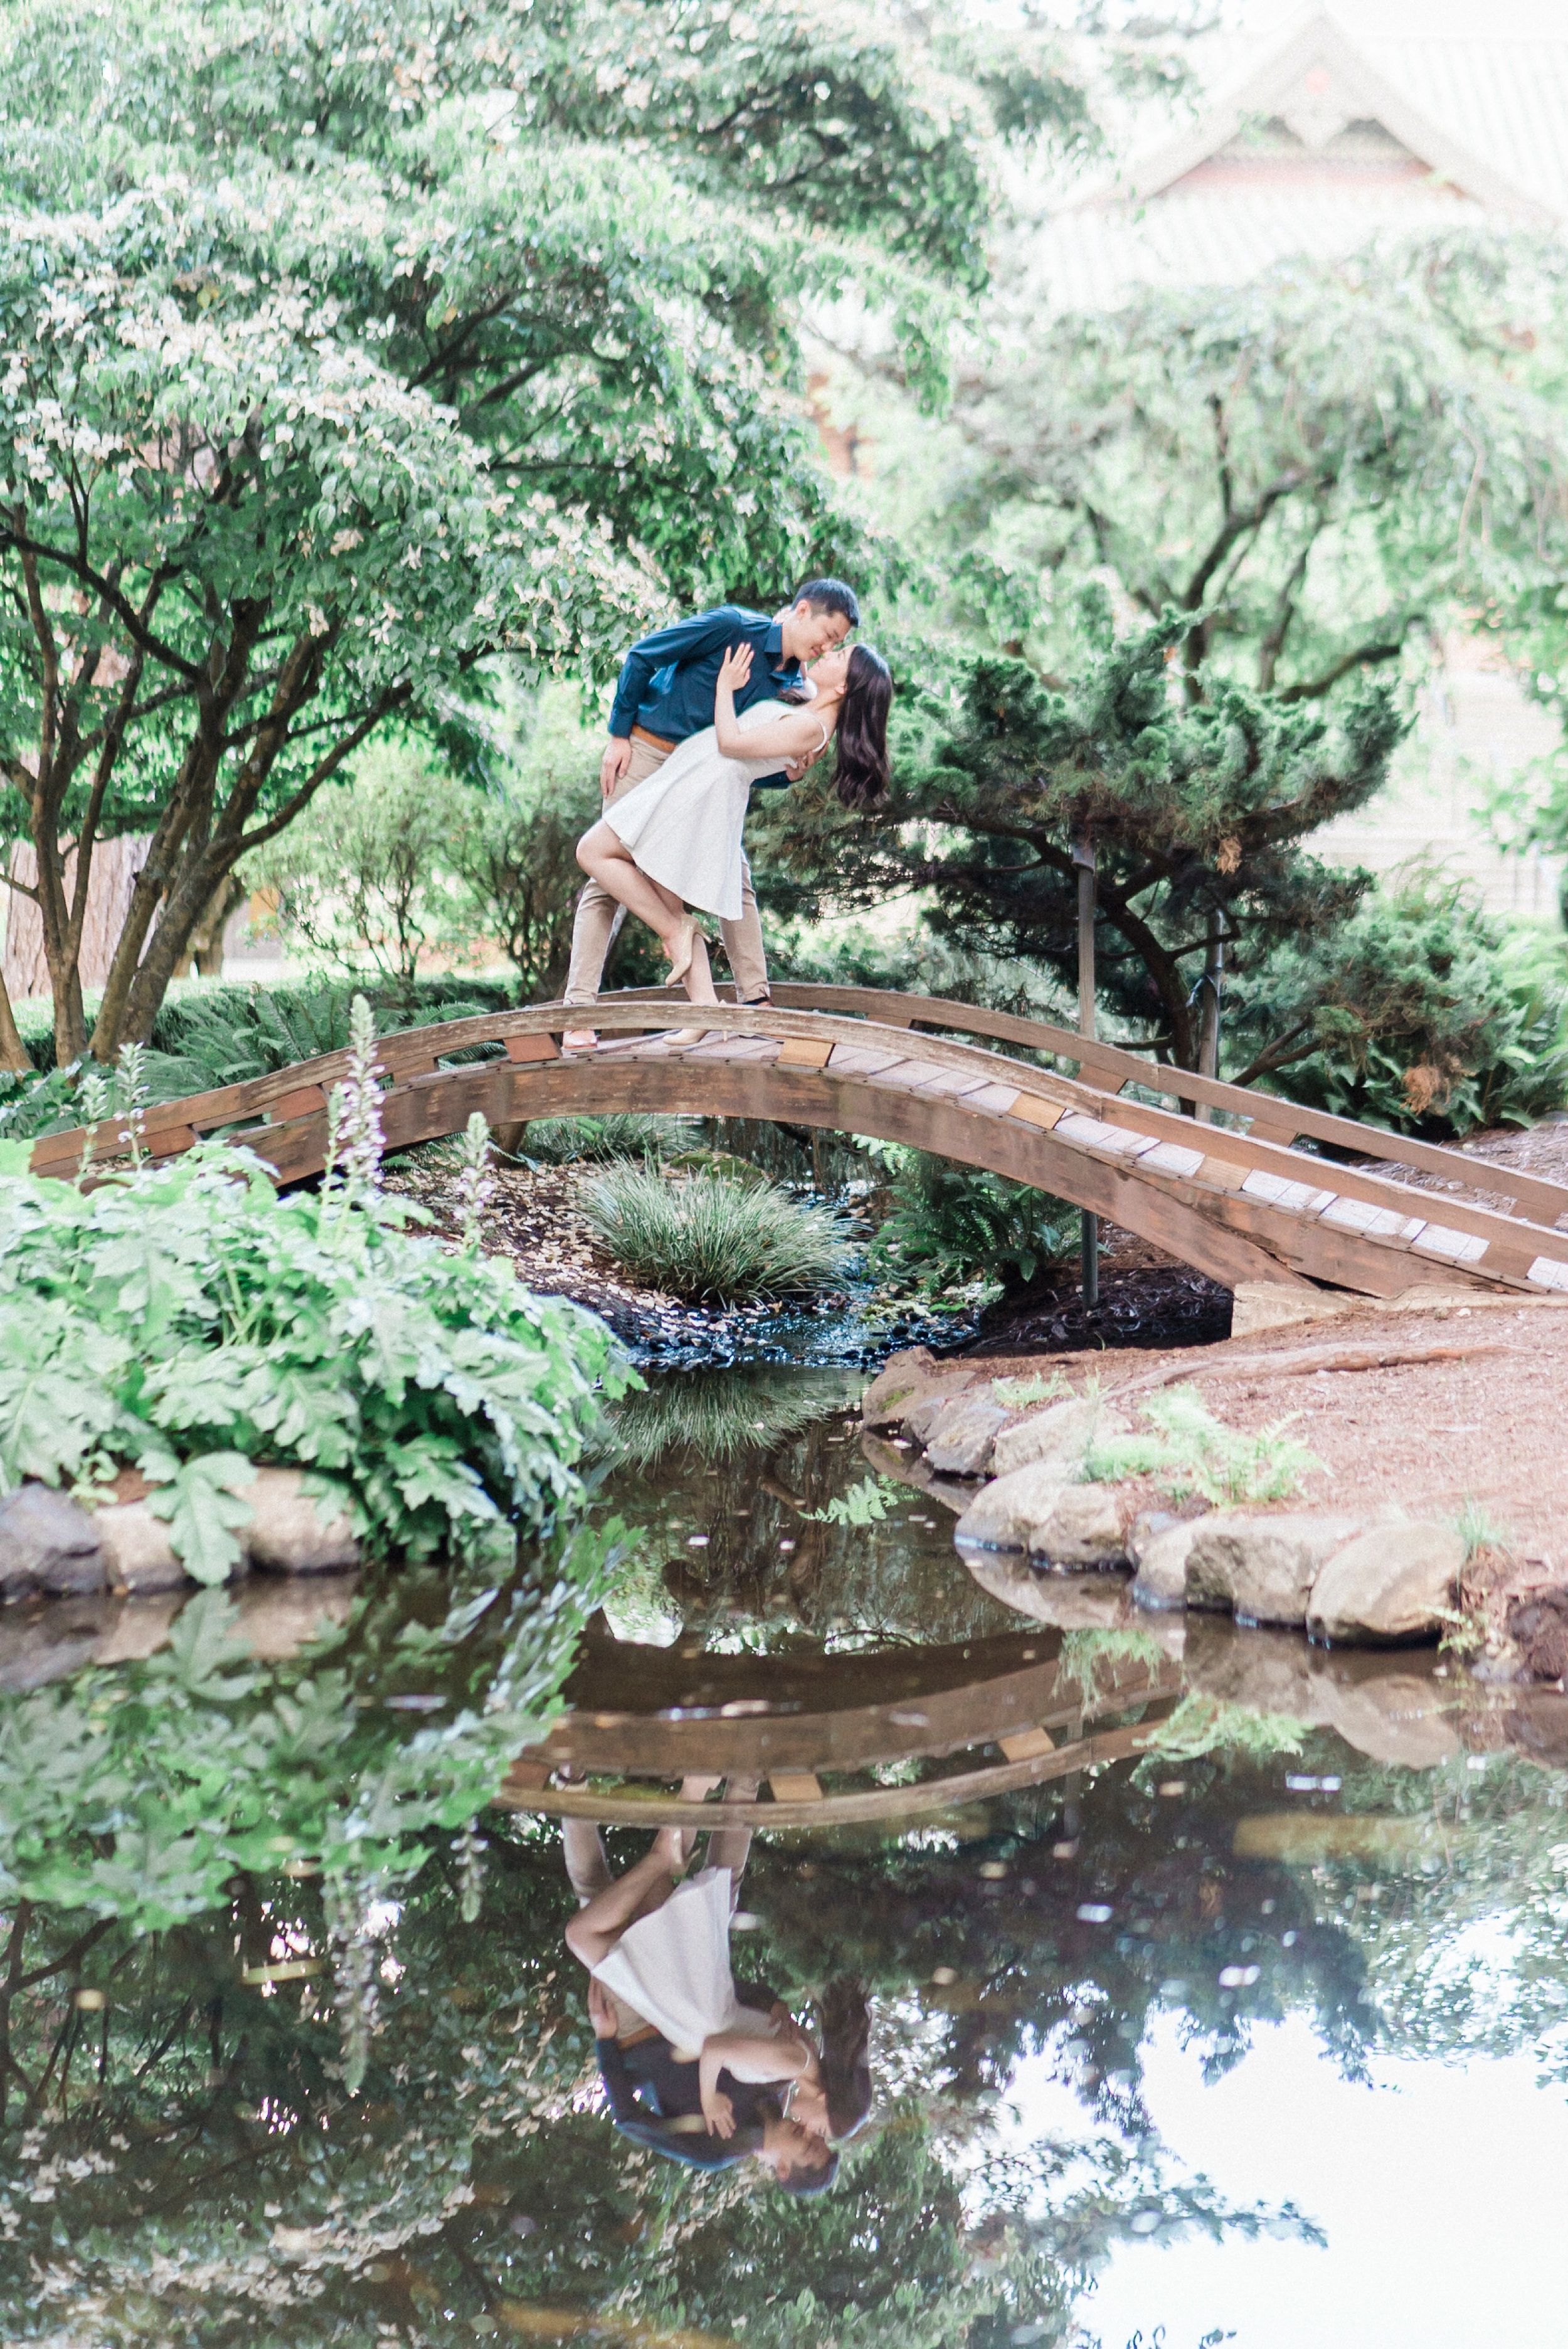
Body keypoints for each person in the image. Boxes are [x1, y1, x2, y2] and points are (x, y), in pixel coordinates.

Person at [561, 581, 862, 1049]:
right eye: (827, 633)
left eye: (837, 644)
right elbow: (643, 655)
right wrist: (619, 733)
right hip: (644, 754)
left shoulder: (794, 686)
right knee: (607, 880)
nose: (827, 646)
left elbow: (743, 758)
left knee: (734, 870)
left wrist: (790, 777)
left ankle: (755, 1000)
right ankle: (580, 1012)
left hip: (694, 782)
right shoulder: (731, 628)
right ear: (802, 610)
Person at [561, 1802, 871, 2192]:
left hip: (636, 2025)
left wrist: (605, 2040)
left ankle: (571, 1786)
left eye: (809, 2147)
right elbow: (727, 2007)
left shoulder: (715, 2152)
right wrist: (771, 2002)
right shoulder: (778, 2082)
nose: (811, 2134)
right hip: (675, 1980)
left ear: (783, 2170)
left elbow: (629, 2119)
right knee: (670, 1888)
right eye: (819, 2137)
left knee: (593, 1891)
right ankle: (699, 1785)